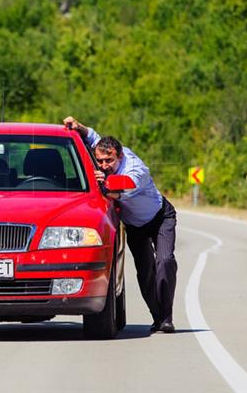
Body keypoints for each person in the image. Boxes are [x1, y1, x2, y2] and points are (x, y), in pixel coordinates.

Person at [63, 116, 178, 333]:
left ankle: (167, 316)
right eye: (100, 161)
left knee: (165, 261)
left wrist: (103, 183)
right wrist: (79, 127)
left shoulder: (135, 170)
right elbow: (93, 137)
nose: (105, 165)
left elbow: (121, 192)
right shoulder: (105, 153)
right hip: (135, 225)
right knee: (145, 272)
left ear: (121, 156)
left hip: (160, 217)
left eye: (110, 161)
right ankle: (157, 317)